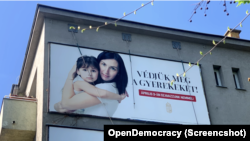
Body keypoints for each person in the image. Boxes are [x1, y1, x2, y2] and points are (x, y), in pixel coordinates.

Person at [54, 51, 129, 117]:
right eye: (104, 64)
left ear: (118, 73)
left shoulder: (104, 87)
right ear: (97, 63)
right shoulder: (92, 85)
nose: (106, 71)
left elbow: (66, 104)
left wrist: (70, 76)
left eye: (113, 68)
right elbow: (67, 107)